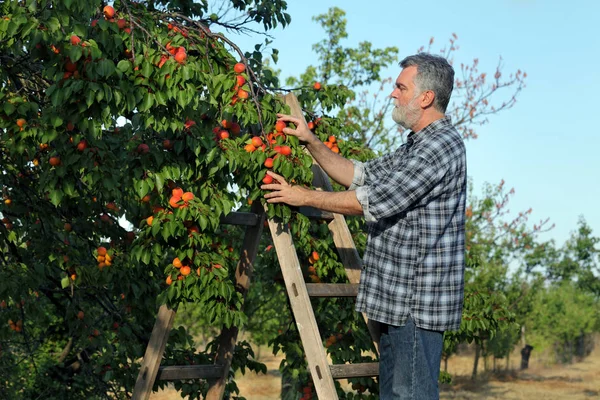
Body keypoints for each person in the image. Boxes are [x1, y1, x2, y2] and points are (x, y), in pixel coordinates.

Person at [262, 53, 467, 399]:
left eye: (401, 87)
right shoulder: (414, 147)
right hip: (394, 301)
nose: (393, 94)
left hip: (415, 306)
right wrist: (311, 141)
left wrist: (303, 196)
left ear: (426, 97)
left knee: (409, 395)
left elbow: (374, 200)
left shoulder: (440, 146)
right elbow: (359, 175)